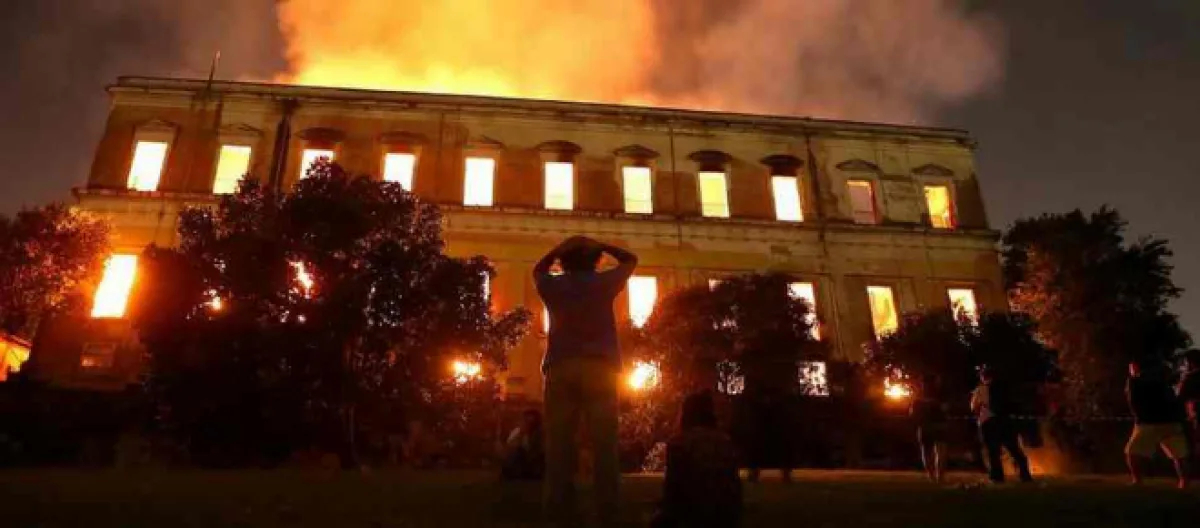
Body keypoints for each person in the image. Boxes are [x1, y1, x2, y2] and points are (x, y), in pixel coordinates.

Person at [535, 235, 638, 527]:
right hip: (599, 366)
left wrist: (559, 248)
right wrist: (601, 244)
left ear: (564, 261)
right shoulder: (603, 283)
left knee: (559, 443)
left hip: (561, 364)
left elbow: (538, 269)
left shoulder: (553, 286)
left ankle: (558, 509)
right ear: (594, 260)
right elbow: (630, 260)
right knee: (604, 443)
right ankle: (607, 510)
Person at [653, 391, 742, 528]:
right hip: (726, 515)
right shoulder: (726, 442)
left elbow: (673, 490)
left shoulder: (680, 443)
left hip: (693, 515)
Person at [1126, 358, 1190, 488]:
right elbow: (1175, 397)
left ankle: (1137, 480)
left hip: (1148, 422)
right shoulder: (1163, 380)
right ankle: (1183, 481)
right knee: (1179, 455)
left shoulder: (1135, 381)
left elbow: (1133, 400)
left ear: (1136, 367)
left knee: (1132, 453)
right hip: (1171, 421)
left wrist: (1138, 416)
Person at [970, 367, 1033, 483]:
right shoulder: (1003, 389)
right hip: (1005, 421)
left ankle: (997, 476)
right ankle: (1025, 474)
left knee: (993, 452)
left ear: (982, 376)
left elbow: (974, 407)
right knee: (1014, 449)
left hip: (988, 422)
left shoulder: (981, 390)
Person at [911, 374, 949, 484]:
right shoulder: (940, 395)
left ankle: (931, 476)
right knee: (941, 450)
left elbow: (913, 413)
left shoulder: (918, 396)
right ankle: (940, 476)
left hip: (925, 426)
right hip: (939, 424)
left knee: (926, 451)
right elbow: (946, 408)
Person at [501, 409, 545, 481]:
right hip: (520, 463)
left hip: (533, 464)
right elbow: (510, 446)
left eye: (532, 422)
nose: (529, 424)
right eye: (527, 421)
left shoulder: (540, 435)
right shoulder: (518, 432)